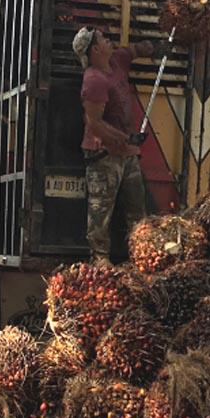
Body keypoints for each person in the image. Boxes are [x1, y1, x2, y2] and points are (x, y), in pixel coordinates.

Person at [72, 27, 158, 266]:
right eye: (102, 38)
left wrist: (152, 47)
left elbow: (133, 51)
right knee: (101, 210)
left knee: (137, 210)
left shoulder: (117, 62)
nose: (108, 39)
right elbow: (95, 124)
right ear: (94, 49)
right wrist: (125, 139)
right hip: (103, 155)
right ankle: (100, 260)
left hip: (127, 155)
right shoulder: (94, 80)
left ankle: (142, 257)